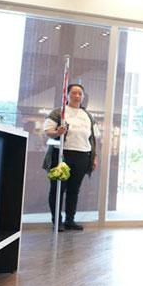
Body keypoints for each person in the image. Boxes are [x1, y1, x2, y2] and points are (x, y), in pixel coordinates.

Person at [42, 83, 98, 231]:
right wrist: (57, 132)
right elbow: (48, 131)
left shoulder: (88, 116)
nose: (77, 96)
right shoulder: (59, 112)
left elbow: (92, 138)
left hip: (83, 155)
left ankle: (70, 220)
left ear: (83, 96)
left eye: (80, 93)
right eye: (74, 93)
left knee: (74, 189)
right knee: (58, 189)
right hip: (62, 155)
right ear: (67, 95)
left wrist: (94, 157)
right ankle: (57, 222)